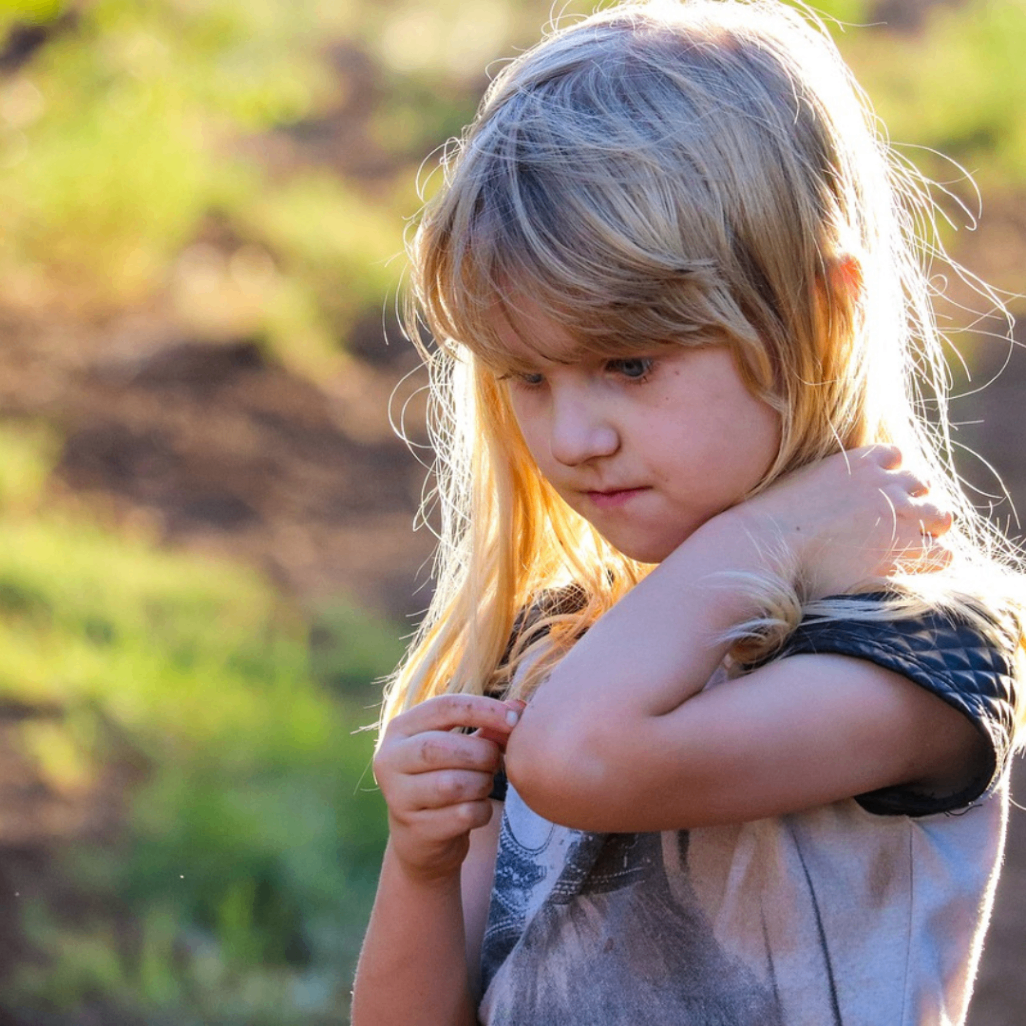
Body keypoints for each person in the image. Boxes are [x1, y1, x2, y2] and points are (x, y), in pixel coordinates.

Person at [351, 1, 1025, 1023]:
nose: (574, 436)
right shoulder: (555, 645)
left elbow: (580, 761)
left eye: (629, 363)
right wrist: (421, 866)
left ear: (822, 312)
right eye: (529, 376)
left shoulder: (915, 654)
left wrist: (768, 537)